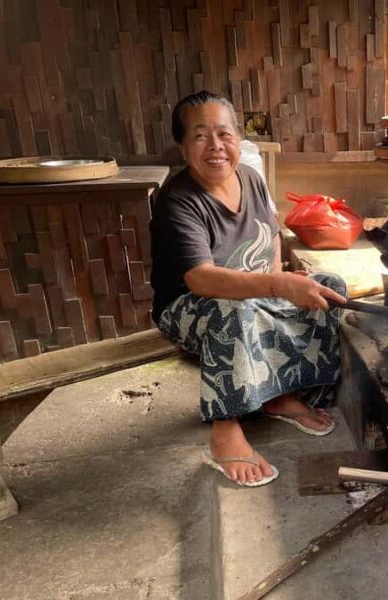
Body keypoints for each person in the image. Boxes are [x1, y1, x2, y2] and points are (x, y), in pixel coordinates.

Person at [150, 91, 347, 487]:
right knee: (232, 311)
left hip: (254, 291)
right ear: (183, 145)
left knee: (328, 287)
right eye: (201, 136)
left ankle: (277, 394)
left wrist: (278, 285)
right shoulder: (178, 200)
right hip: (191, 305)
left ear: (238, 138)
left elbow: (272, 235)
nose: (216, 146)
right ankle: (226, 430)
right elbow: (200, 279)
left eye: (225, 134)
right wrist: (277, 285)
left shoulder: (252, 180)